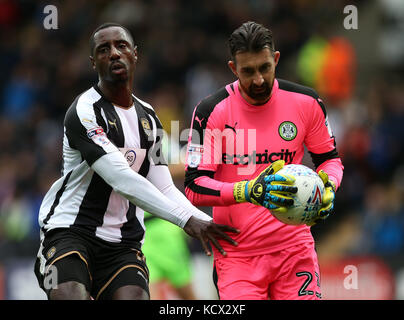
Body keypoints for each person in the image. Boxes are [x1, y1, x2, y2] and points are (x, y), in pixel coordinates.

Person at [34, 22, 239, 300]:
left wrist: (206, 221)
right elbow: (121, 179)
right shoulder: (84, 112)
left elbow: (165, 187)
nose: (115, 53)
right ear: (94, 63)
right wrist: (186, 220)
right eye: (104, 49)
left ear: (135, 54)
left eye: (121, 46)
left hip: (122, 244)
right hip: (71, 232)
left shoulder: (150, 119)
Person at [184, 21, 344, 300]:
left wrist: (328, 186)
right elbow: (194, 186)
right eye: (248, 71)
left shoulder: (306, 102)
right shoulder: (210, 111)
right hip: (237, 257)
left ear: (276, 60)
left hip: (295, 251)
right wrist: (246, 190)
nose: (258, 80)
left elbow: (330, 160)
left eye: (264, 68)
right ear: (233, 68)